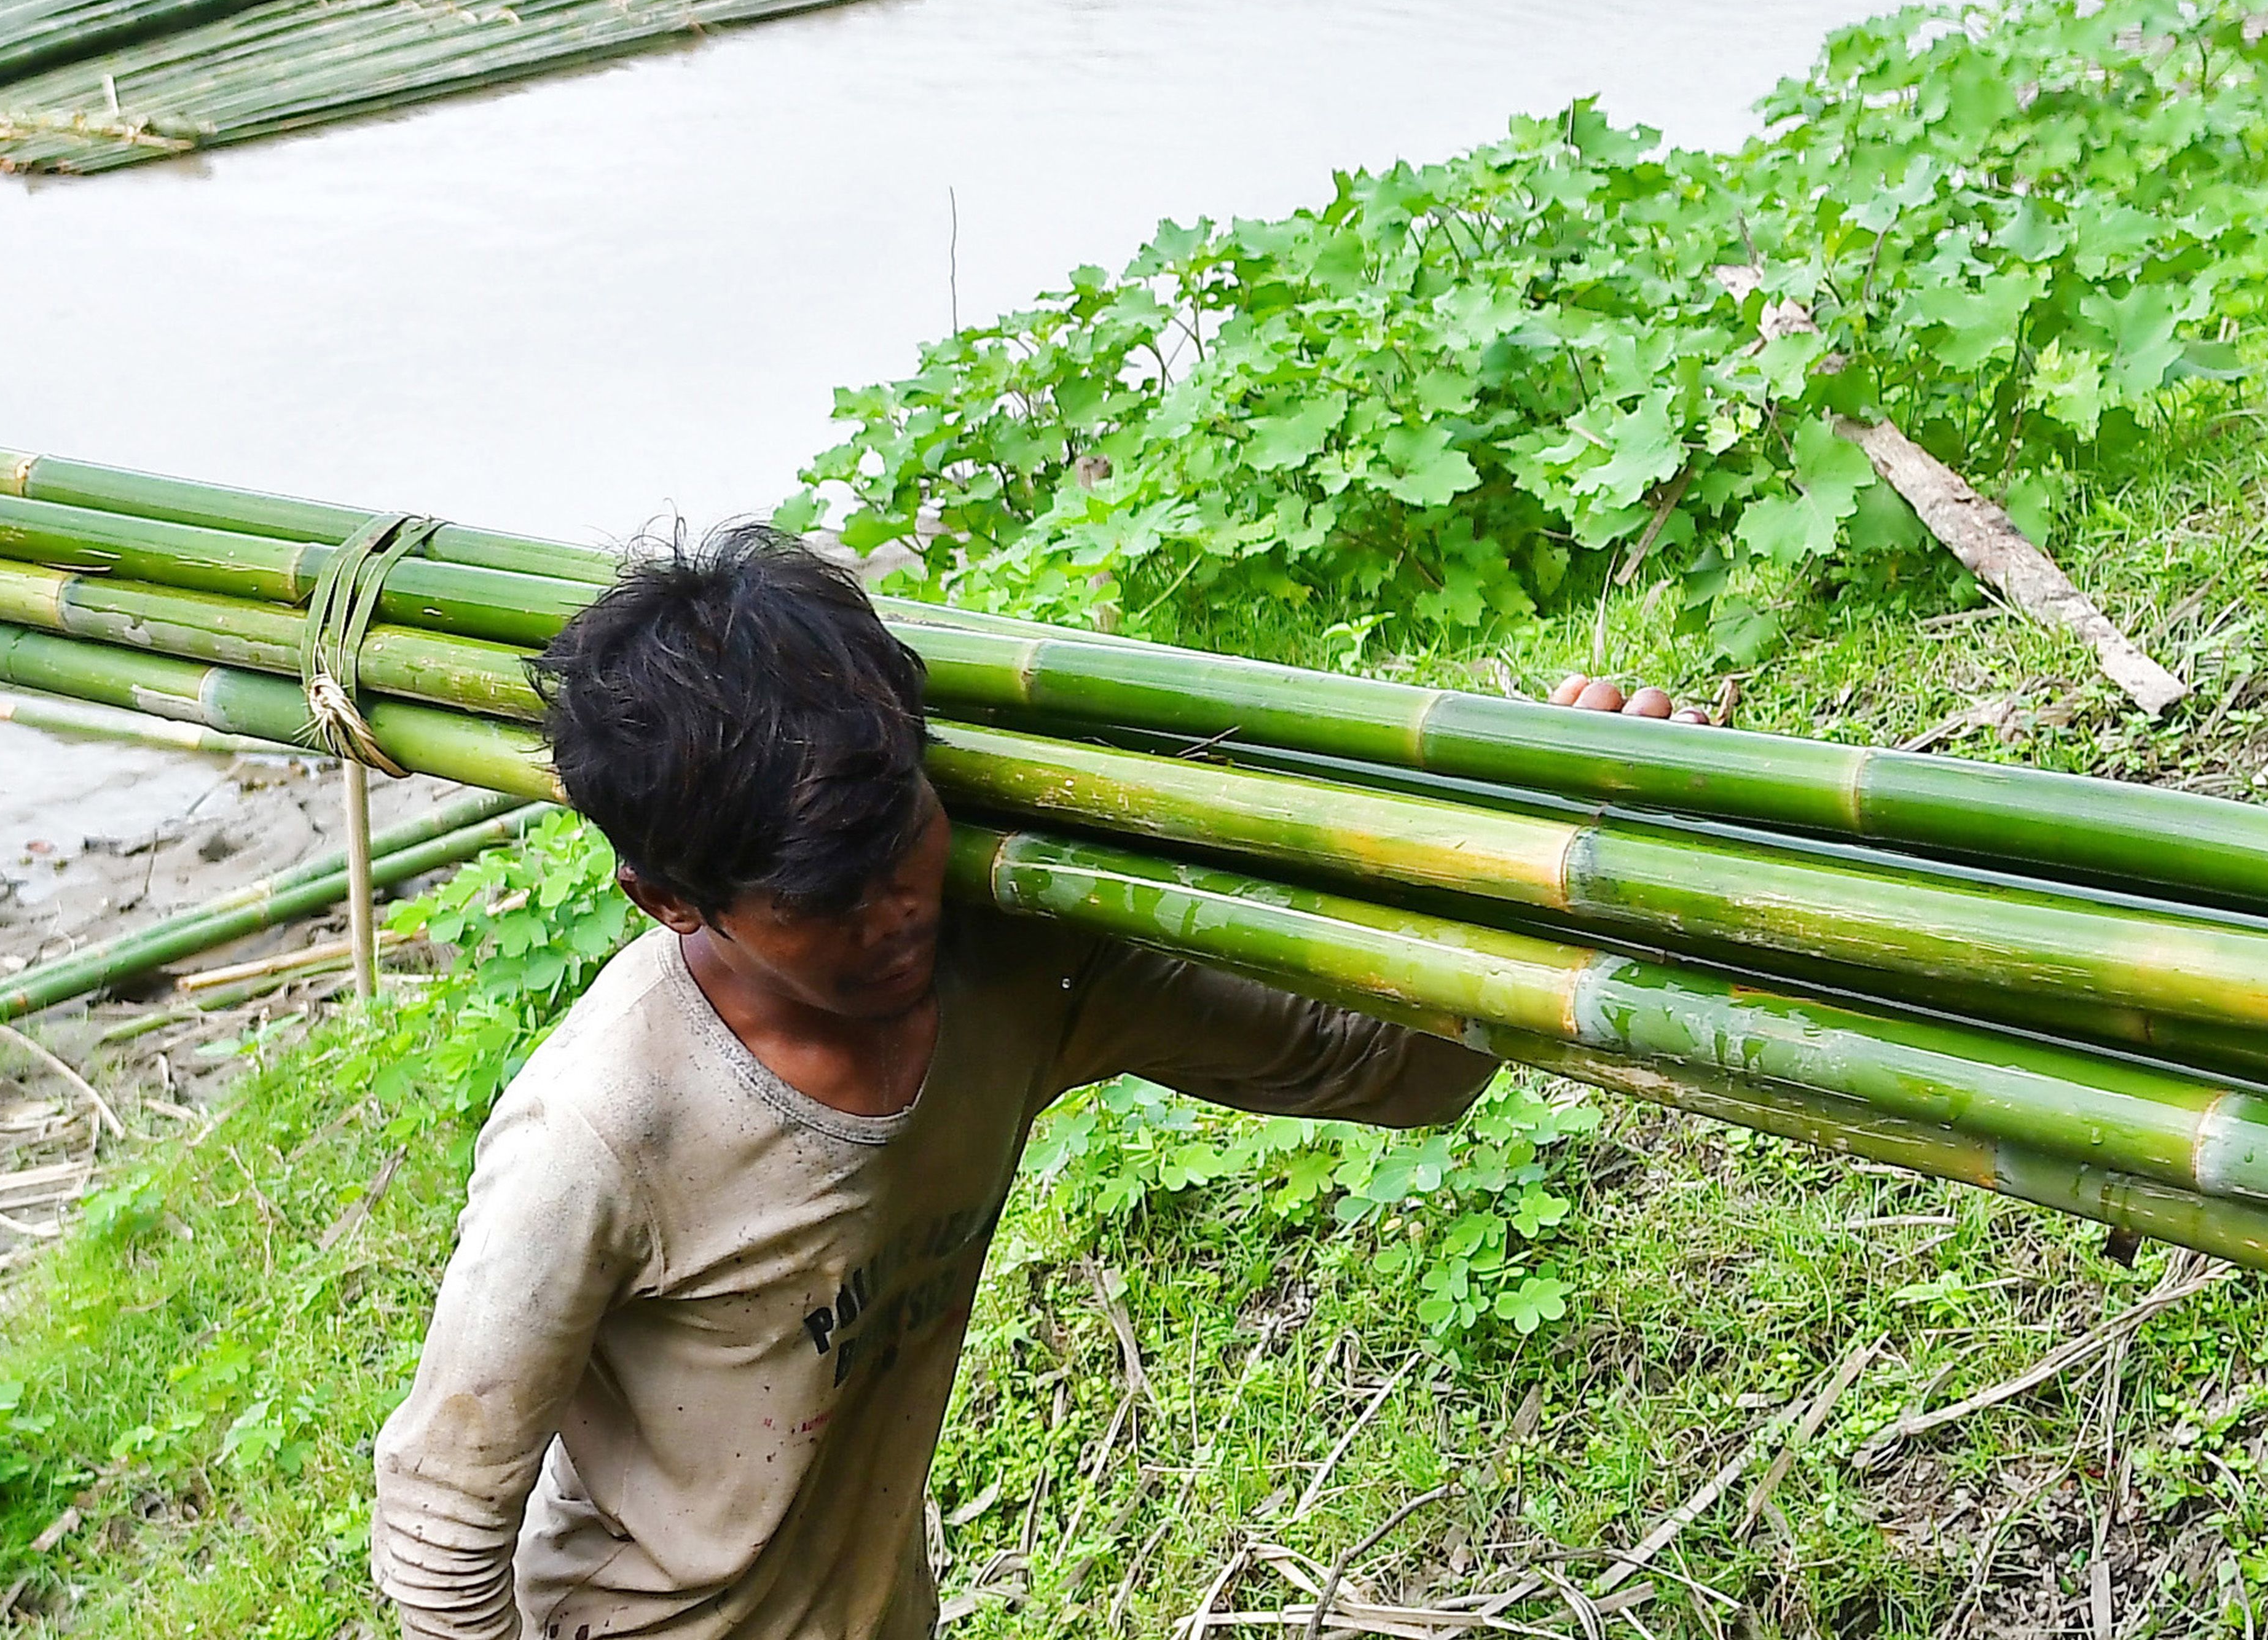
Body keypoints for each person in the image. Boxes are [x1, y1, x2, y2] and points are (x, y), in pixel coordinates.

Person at [370, 525, 1498, 1640]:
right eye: (824, 899)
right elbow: (441, 1516)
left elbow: (1388, 1068)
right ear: (669, 900)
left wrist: (1532, 885)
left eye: (902, 839)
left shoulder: (1011, 969)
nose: (895, 911)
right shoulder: (603, 1129)